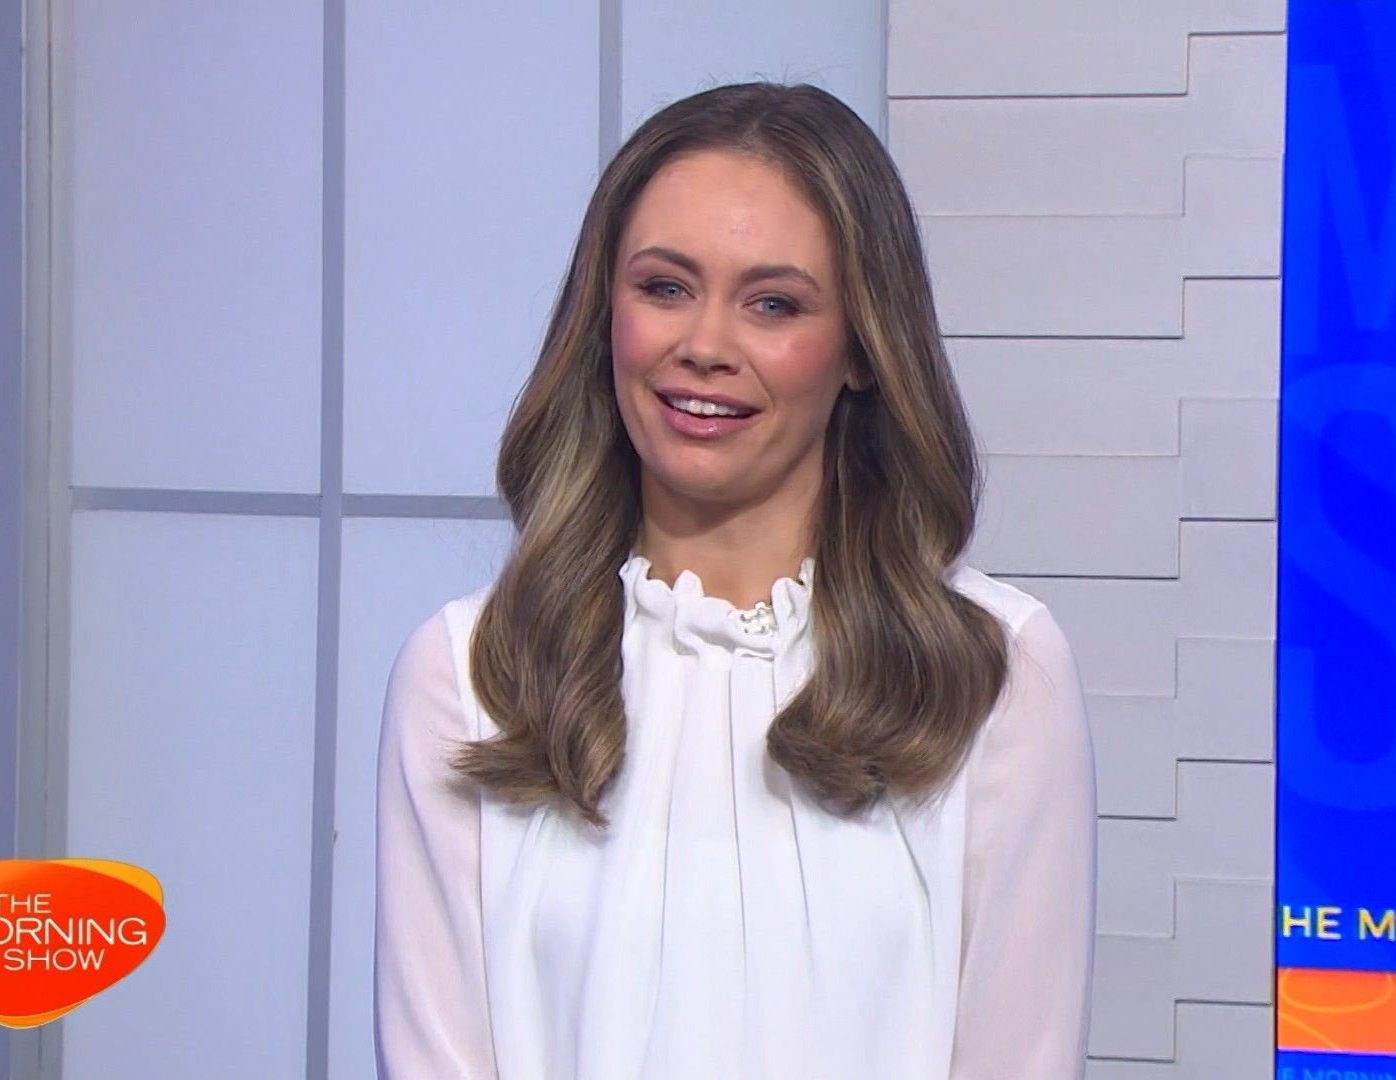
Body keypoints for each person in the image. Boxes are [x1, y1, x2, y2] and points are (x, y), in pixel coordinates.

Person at [374, 80, 1096, 1079]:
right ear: (604, 315)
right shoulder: (467, 676)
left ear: (862, 347)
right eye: (664, 288)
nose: (704, 347)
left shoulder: (993, 672)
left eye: (773, 304)